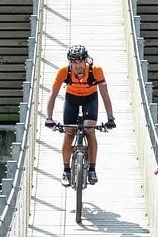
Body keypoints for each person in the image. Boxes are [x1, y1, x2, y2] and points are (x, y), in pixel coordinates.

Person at [44, 44, 115, 187]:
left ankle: (92, 170)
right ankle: (66, 170)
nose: (77, 65)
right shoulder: (63, 72)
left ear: (85, 61)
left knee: (90, 130)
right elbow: (53, 95)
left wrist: (110, 118)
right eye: (73, 62)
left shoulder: (96, 70)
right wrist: (49, 118)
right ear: (70, 62)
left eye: (79, 62)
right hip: (72, 99)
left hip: (90, 98)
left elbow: (105, 95)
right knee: (68, 132)